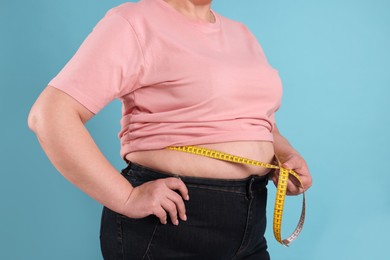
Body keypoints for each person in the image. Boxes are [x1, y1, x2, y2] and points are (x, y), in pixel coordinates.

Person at [28, 0, 312, 259]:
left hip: (250, 224)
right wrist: (126, 198)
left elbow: (260, 120)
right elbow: (51, 115)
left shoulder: (242, 34)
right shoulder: (133, 22)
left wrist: (284, 155)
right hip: (171, 224)